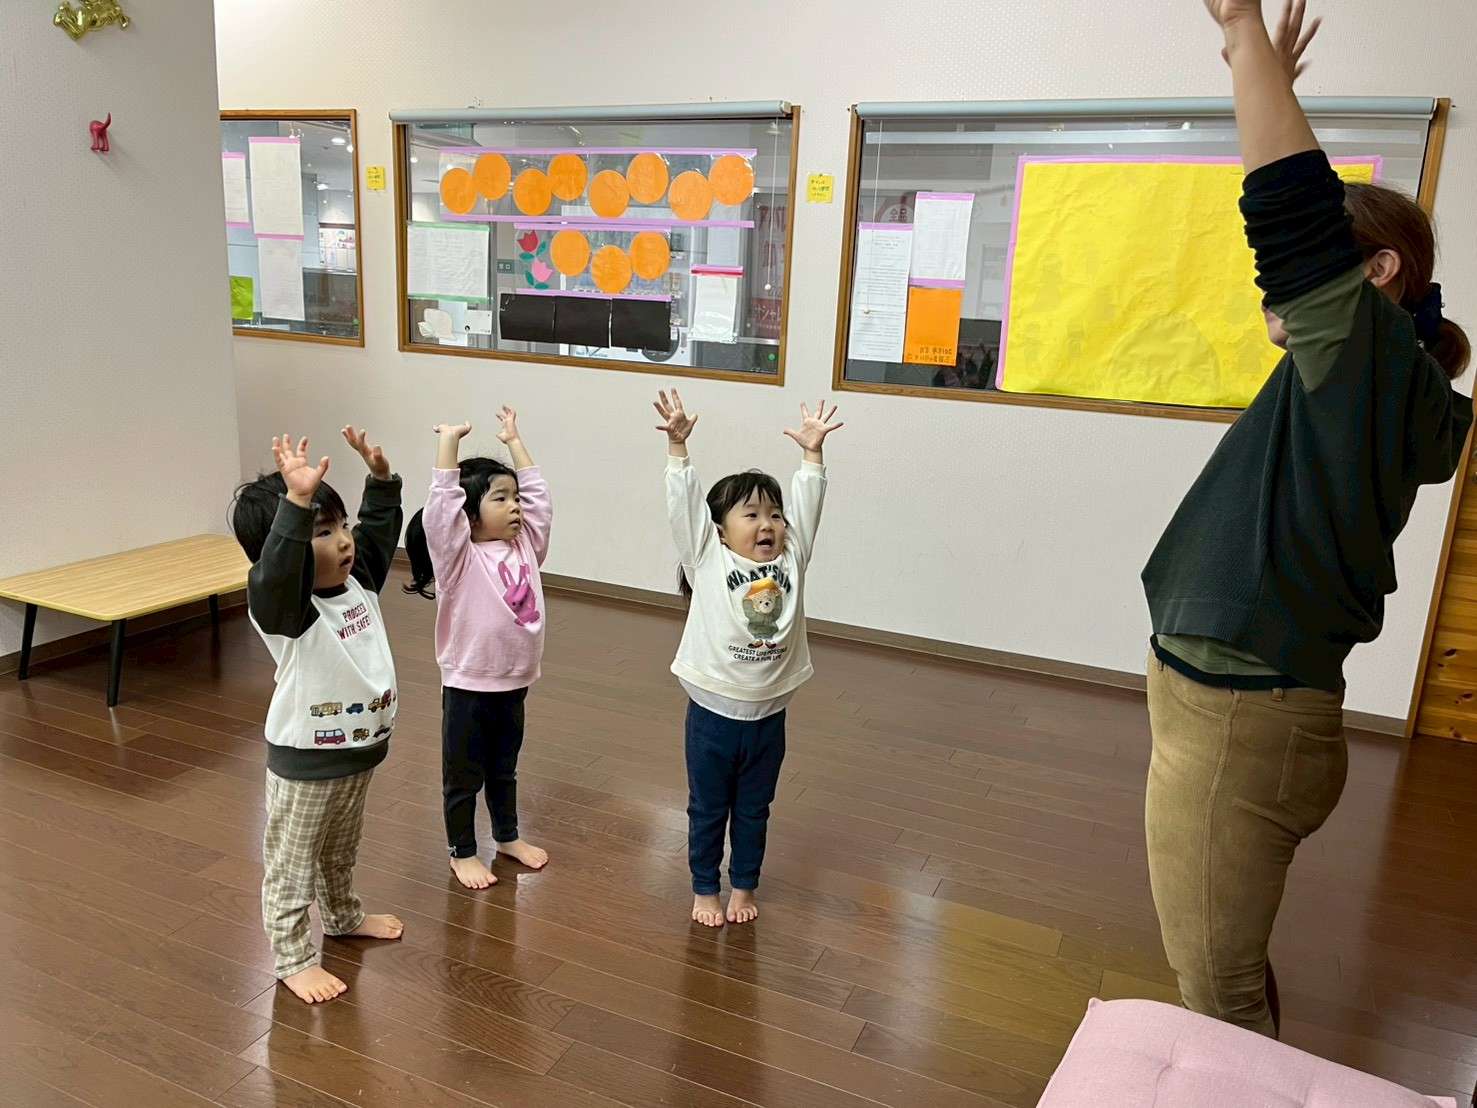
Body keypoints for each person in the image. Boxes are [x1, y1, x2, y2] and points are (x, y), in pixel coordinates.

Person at [1141, 0, 1473, 1037]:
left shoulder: (1365, 357)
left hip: (1239, 717)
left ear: (1375, 276)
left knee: (1216, 992)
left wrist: (1243, 34)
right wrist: (1261, 76)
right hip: (1243, 705)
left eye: (1313, 273)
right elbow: (1296, 230)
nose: (1271, 296)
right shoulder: (1371, 377)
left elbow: (1286, 206)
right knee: (1224, 966)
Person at [230, 428, 407, 1004]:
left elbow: (377, 531)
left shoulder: (359, 584)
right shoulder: (288, 609)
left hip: (360, 753)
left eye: (342, 526)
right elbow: (277, 571)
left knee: (339, 849)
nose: (344, 542)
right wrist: (296, 503)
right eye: (323, 533)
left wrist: (381, 481)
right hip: (306, 762)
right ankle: (292, 957)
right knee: (293, 863)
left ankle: (343, 916)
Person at [654, 388, 843, 927]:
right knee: (708, 809)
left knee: (755, 810)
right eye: (752, 514)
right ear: (719, 529)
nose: (768, 524)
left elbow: (809, 508)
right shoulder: (707, 558)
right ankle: (705, 888)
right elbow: (684, 506)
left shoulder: (793, 557)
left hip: (768, 718)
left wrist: (812, 455)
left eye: (775, 515)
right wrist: (678, 449)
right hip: (712, 716)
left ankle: (744, 885)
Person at [403, 408, 552, 890]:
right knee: (464, 776)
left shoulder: (526, 547)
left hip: (514, 681)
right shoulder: (458, 559)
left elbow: (541, 501)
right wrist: (448, 444)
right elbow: (441, 511)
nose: (516, 507)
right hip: (468, 684)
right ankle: (462, 851)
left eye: (515, 498)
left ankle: (506, 837)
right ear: (469, 515)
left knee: (504, 768)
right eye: (500, 498)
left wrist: (515, 443)